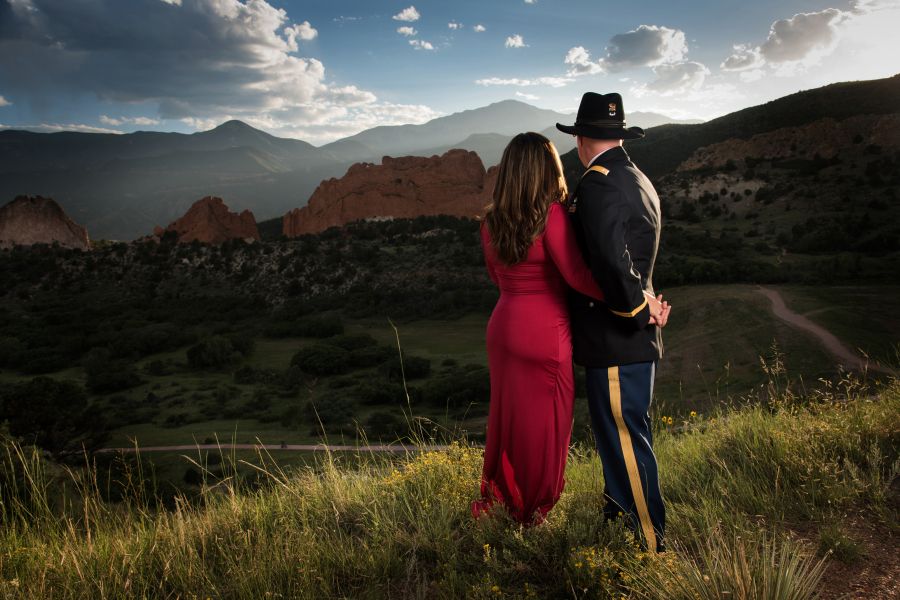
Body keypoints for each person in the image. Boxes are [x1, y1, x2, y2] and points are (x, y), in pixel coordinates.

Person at [471, 132, 667, 525]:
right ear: (547, 170)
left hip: (504, 325)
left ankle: (504, 495)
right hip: (544, 330)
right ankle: (533, 507)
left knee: (508, 419)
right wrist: (639, 301)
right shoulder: (551, 215)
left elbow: (496, 275)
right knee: (546, 424)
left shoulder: (491, 221)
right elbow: (577, 276)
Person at [556, 92, 668, 552]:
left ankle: (649, 546)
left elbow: (611, 261)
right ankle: (620, 524)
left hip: (617, 337)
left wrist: (638, 310)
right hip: (627, 341)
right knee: (618, 443)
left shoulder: (598, 183)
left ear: (582, 139)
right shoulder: (633, 175)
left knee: (624, 441)